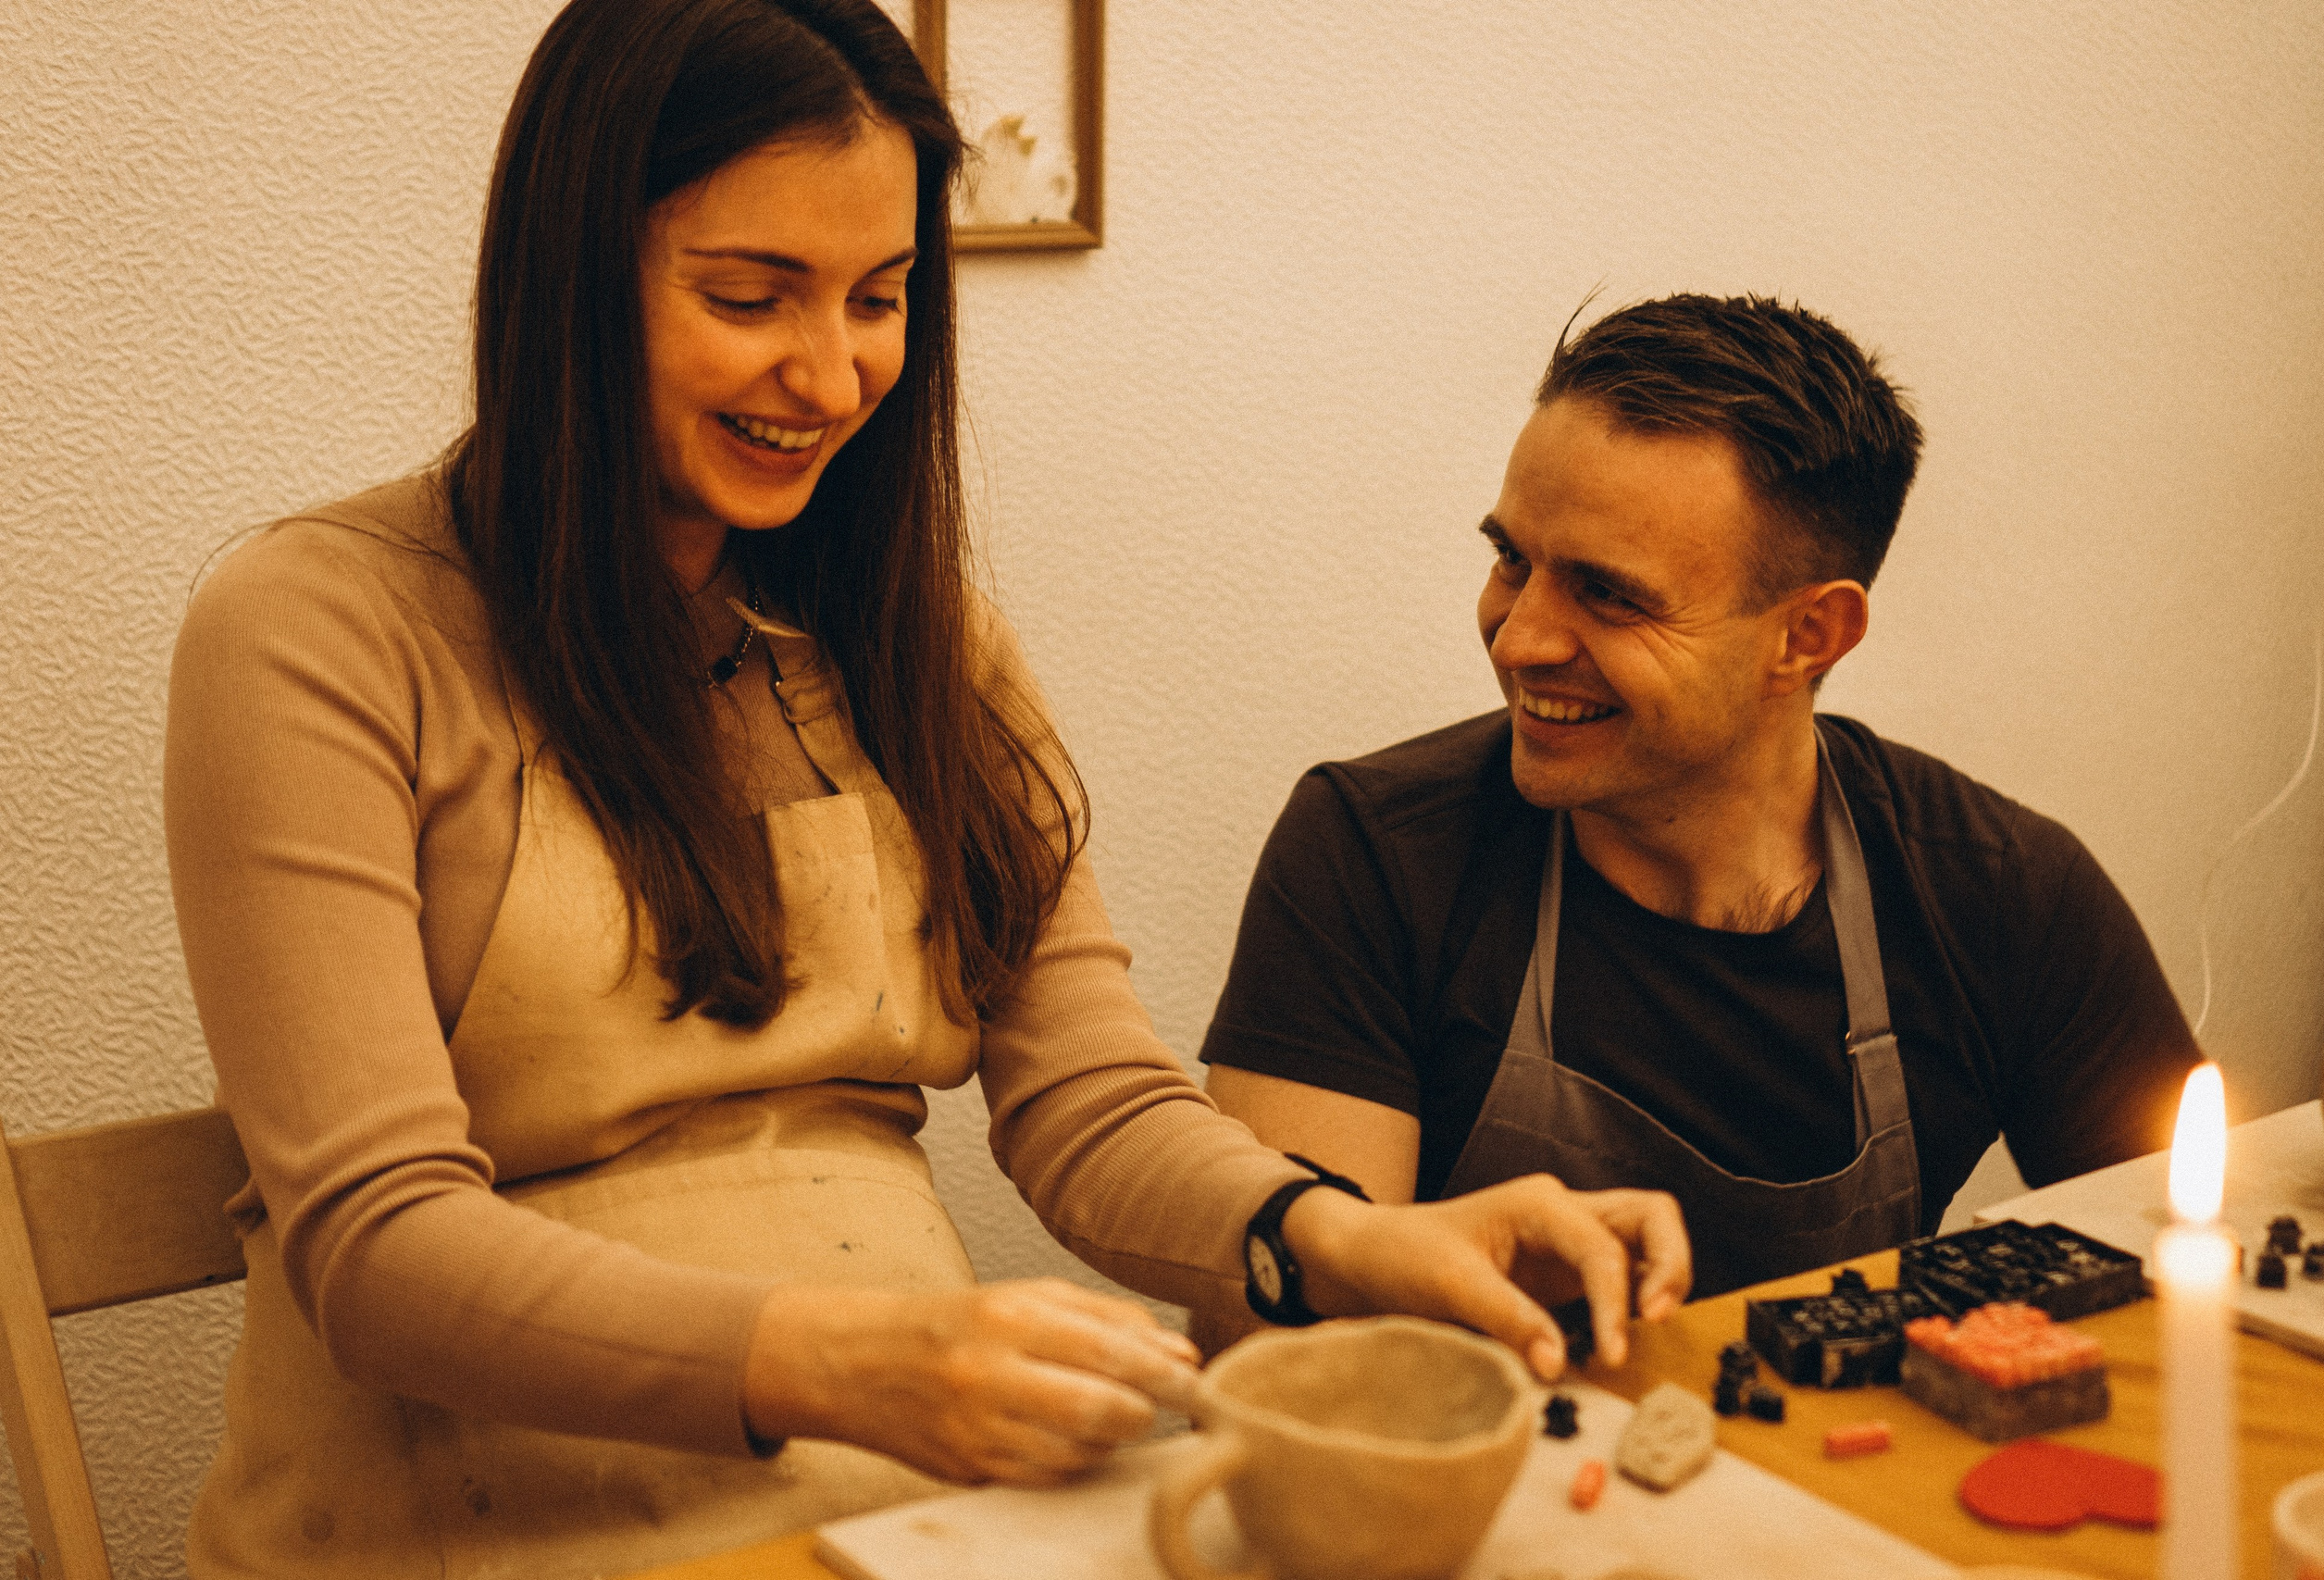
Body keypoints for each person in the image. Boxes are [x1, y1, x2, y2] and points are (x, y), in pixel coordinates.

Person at [162, 3, 1687, 1574]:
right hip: (469, 1529)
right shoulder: (320, 628)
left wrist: (1343, 1237)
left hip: (902, 1507)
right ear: (573, 277)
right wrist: (844, 1361)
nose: (832, 375)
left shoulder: (917, 633)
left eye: (880, 298)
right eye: (750, 297)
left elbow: (1089, 1098)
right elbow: (377, 1245)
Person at [1195, 293, 2200, 1342]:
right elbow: (1261, 1350)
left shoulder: (1999, 891)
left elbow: (2194, 1279)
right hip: (1458, 1449)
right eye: (1512, 560)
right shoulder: (1375, 853)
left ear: (1808, 636)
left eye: (1609, 595)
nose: (1519, 639)